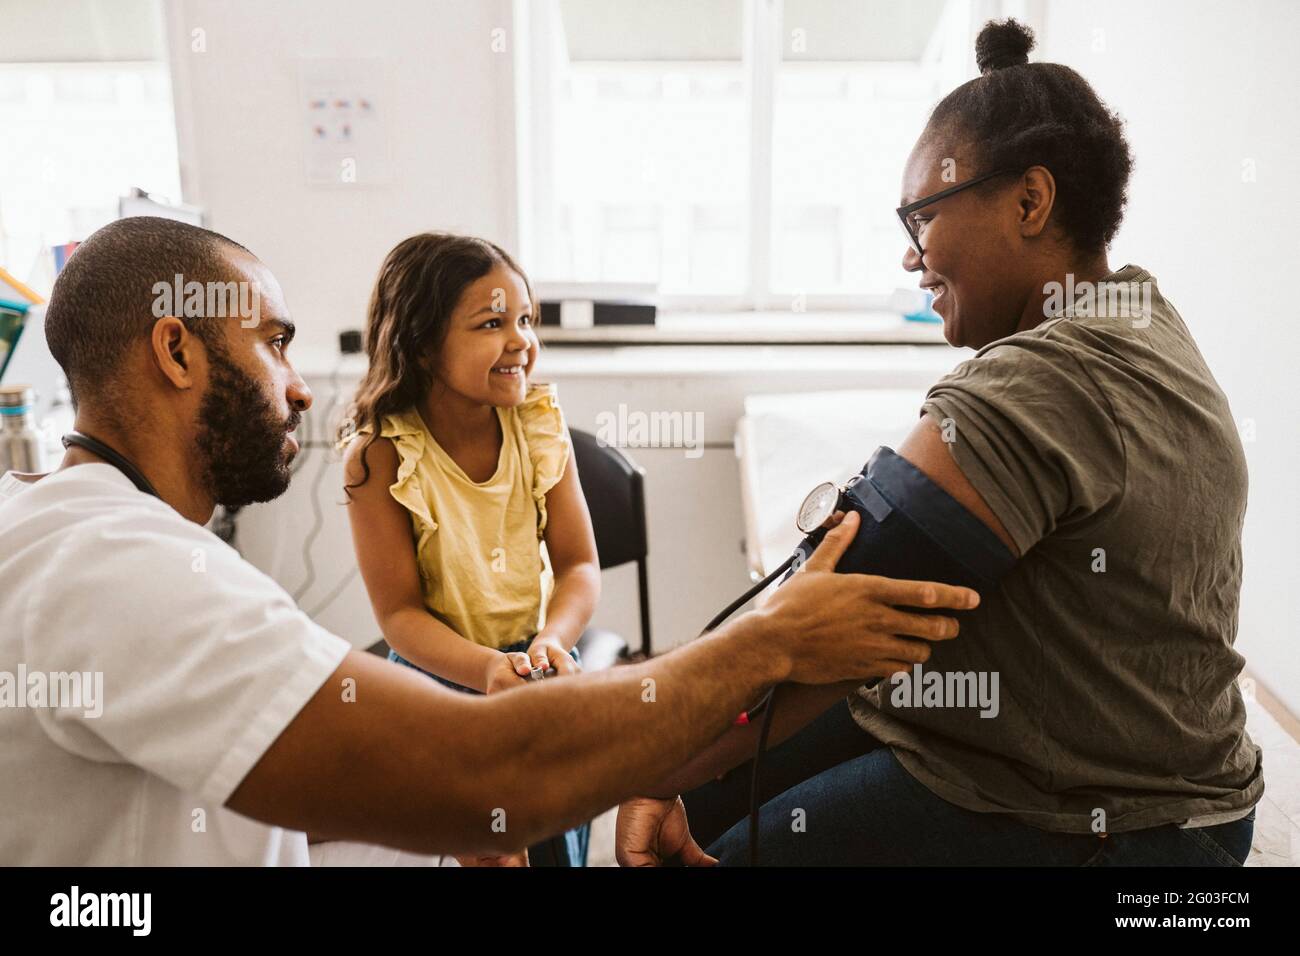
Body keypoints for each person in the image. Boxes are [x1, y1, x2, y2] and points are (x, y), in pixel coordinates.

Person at [0, 215, 978, 865]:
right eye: (275, 340)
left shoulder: (85, 528)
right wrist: (770, 640)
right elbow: (476, 764)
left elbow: (314, 761)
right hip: (462, 682)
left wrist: (504, 732)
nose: (298, 382)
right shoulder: (127, 570)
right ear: (177, 348)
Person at [616, 18, 1261, 867]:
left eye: (922, 217)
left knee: (720, 841)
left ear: (1030, 201)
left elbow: (832, 637)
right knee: (706, 778)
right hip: (1153, 772)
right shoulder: (1140, 315)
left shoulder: (1039, 387)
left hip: (1114, 818)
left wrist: (645, 772)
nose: (912, 257)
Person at [340, 233, 598, 866]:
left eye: (526, 320)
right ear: (423, 345)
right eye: (492, 323)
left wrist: (553, 642)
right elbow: (399, 618)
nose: (522, 342)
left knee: (555, 838)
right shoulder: (379, 457)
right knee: (491, 852)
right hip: (437, 683)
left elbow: (578, 565)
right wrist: (484, 671)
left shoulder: (537, 425)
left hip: (535, 667)